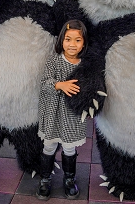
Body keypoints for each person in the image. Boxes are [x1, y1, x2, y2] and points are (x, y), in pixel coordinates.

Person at [36, 20, 89, 199]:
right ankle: (45, 179)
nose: (72, 44)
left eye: (77, 40)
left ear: (84, 43)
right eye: (68, 39)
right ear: (61, 40)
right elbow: (44, 84)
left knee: (69, 148)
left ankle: (69, 179)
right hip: (52, 112)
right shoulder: (54, 61)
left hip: (72, 115)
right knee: (49, 145)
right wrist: (59, 85)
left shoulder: (85, 65)